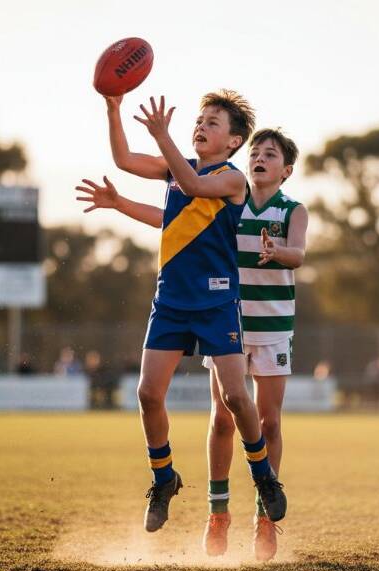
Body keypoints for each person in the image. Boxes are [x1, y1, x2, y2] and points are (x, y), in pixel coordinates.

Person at [76, 89, 287, 535]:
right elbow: (124, 161)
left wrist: (162, 135)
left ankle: (264, 476)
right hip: (170, 301)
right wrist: (113, 108)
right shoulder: (179, 169)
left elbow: (192, 188)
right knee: (148, 394)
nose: (201, 126)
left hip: (216, 304)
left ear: (233, 143)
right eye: (200, 119)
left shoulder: (232, 180)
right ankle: (164, 478)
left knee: (235, 398)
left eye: (213, 122)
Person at [200, 128, 308, 560]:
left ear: (286, 170)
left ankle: (265, 519)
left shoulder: (292, 210)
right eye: (255, 153)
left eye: (271, 154)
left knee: (270, 423)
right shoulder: (229, 203)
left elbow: (298, 254)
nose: (259, 158)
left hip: (274, 329)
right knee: (222, 420)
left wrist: (276, 251)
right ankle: (217, 513)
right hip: (227, 326)